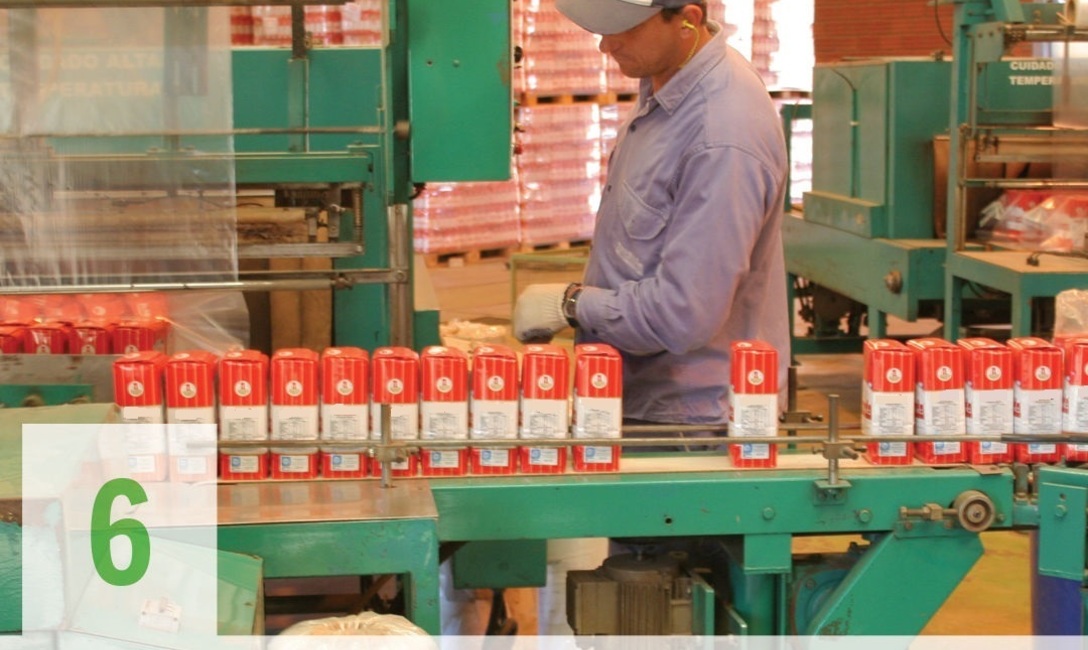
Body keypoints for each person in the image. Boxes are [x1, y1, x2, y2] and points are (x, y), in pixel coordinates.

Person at [513, 0, 791, 443]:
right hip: (644, 398)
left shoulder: (721, 133)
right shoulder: (667, 85)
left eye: (626, 29)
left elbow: (685, 314)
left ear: (688, 20)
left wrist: (573, 305)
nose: (607, 46)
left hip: (690, 422)